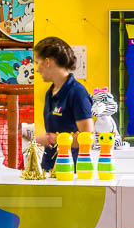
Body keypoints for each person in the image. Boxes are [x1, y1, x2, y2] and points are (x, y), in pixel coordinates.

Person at [35, 36, 94, 172]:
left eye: (37, 62)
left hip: (70, 170)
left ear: (48, 62)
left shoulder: (77, 92)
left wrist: (52, 139)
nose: (37, 69)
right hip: (49, 167)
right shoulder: (50, 92)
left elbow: (88, 139)